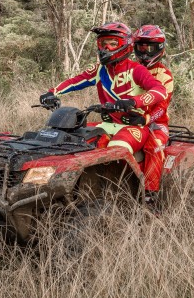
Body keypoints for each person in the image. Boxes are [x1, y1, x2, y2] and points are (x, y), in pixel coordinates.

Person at [40, 22, 168, 173]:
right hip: (107, 124)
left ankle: (141, 194)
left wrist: (134, 101)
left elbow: (160, 91)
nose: (106, 48)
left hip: (134, 126)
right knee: (75, 144)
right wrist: (52, 92)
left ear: (125, 45)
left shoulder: (136, 69)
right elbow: (75, 81)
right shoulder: (99, 70)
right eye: (103, 43)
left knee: (116, 151)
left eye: (113, 43)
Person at [132, 24, 174, 205]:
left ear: (159, 48)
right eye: (140, 47)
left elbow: (161, 107)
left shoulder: (164, 75)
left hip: (156, 124)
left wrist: (146, 119)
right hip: (129, 121)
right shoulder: (129, 69)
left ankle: (150, 195)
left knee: (155, 146)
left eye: (149, 48)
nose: (144, 52)